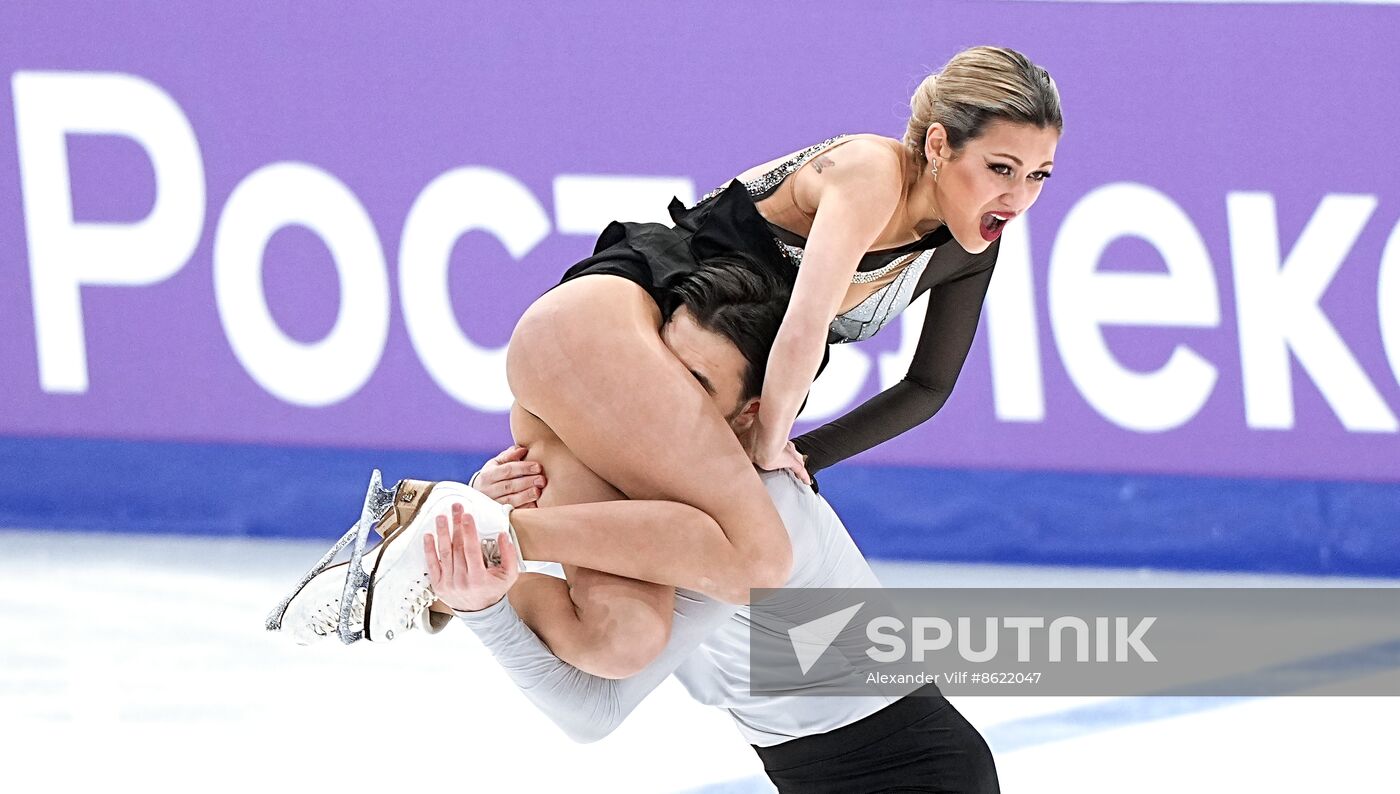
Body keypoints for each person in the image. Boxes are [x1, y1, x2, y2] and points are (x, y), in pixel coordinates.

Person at [272, 46, 1062, 672]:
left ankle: (456, 548)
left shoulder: (968, 250)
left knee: (618, 638)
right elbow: (802, 328)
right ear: (936, 144)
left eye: (1039, 177)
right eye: (1001, 168)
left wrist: (803, 455)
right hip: (606, 334)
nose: (1020, 197)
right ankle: (486, 528)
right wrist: (763, 445)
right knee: (759, 557)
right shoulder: (870, 171)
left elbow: (927, 389)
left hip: (639, 408)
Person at [421, 282, 1000, 791]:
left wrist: (481, 590)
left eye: (694, 385)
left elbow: (592, 706)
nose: (657, 397)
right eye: (659, 367)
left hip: (917, 776)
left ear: (749, 412)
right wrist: (488, 503)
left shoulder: (755, 522)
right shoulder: (643, 486)